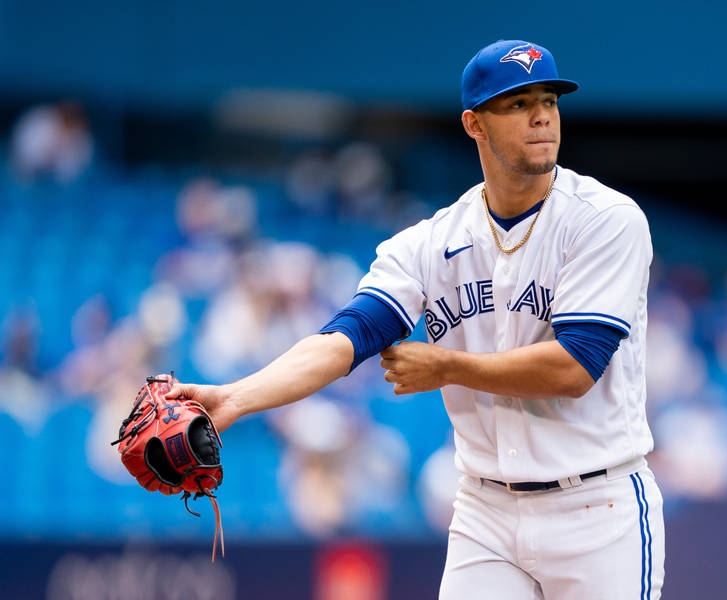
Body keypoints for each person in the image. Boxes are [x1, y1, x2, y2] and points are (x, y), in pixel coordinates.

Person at [168, 39, 664, 599]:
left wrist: (448, 365)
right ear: (474, 124)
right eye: (518, 103)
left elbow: (576, 366)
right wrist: (237, 396)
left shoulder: (605, 220)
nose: (542, 115)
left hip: (596, 506)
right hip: (488, 512)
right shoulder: (430, 243)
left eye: (549, 99)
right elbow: (344, 339)